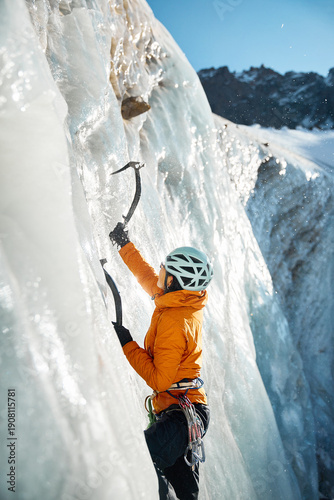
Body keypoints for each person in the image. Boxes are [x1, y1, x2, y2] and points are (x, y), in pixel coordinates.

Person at [109, 222, 213, 500]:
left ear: (174, 281)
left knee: (143, 458)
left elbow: (159, 379)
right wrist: (124, 245)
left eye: (165, 268)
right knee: (185, 494)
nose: (160, 270)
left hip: (181, 416)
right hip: (186, 413)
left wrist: (127, 344)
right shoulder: (181, 300)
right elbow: (147, 277)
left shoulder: (174, 322)